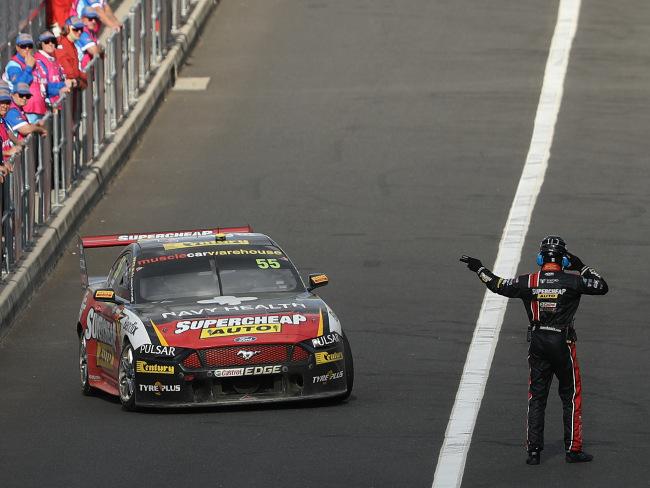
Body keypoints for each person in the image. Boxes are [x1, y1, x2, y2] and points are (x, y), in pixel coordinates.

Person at [460, 236, 608, 465]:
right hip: (562, 343)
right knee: (570, 394)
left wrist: (478, 267)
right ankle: (573, 449)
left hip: (538, 342)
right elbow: (602, 286)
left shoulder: (527, 281)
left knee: (537, 396)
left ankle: (533, 452)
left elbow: (496, 284)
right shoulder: (573, 281)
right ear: (564, 260)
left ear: (540, 258)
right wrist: (581, 266)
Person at [2, 33, 48, 123]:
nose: (27, 49)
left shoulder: (35, 61)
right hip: (25, 110)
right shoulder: (14, 65)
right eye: (23, 46)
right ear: (17, 48)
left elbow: (45, 82)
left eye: (29, 46)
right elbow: (19, 85)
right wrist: (28, 68)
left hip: (40, 109)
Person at [34, 31, 73, 109]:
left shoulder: (53, 59)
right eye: (46, 41)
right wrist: (61, 88)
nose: (50, 44)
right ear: (40, 44)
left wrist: (66, 83)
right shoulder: (39, 61)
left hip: (57, 103)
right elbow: (42, 87)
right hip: (47, 106)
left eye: (53, 41)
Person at [56, 16, 88, 89]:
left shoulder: (71, 44)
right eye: (75, 29)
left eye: (81, 29)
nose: (79, 32)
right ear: (67, 29)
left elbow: (75, 70)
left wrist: (85, 76)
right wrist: (81, 82)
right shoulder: (62, 45)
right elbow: (70, 75)